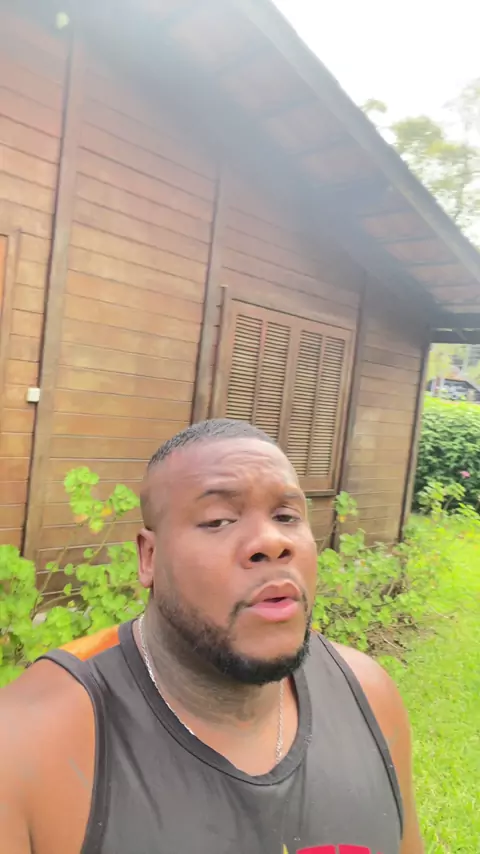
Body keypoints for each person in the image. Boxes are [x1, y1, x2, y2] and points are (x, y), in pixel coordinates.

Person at [0, 419, 423, 854]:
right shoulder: (26, 745)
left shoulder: (368, 696)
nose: (272, 542)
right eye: (219, 520)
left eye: (286, 517)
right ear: (149, 557)